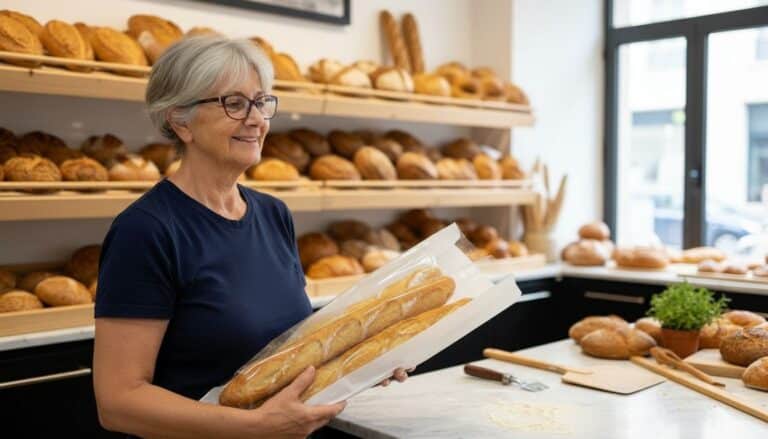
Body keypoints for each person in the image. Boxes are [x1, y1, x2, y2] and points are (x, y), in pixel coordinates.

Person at [93, 36, 408, 438]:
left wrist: (361, 360)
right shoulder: (147, 230)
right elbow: (119, 402)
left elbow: (288, 350)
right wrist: (254, 428)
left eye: (262, 102)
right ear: (180, 121)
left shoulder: (273, 214)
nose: (257, 119)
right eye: (235, 104)